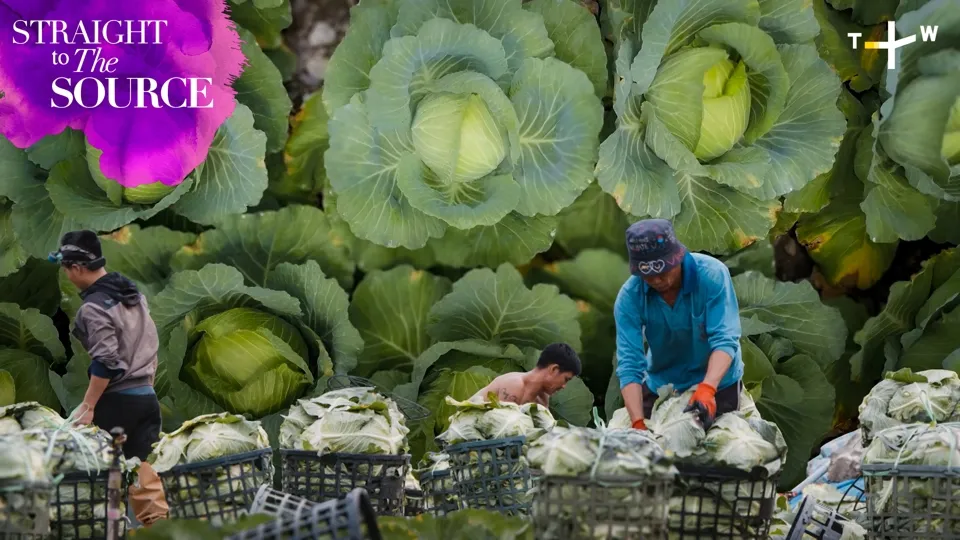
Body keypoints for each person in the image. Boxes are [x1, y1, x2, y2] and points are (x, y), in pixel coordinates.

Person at [49, 230, 169, 526]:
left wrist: (89, 405)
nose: (66, 275)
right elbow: (150, 342)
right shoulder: (132, 295)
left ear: (76, 268)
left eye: (65, 268)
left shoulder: (94, 308)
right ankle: (161, 531)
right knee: (144, 473)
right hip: (145, 398)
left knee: (102, 479)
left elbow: (106, 360)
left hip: (118, 404)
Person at [614, 219, 743, 431]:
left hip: (718, 383)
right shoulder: (630, 296)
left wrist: (708, 387)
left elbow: (725, 339)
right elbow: (629, 364)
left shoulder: (712, 275)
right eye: (647, 275)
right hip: (662, 384)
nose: (656, 280)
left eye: (662, 271)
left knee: (716, 452)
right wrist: (637, 422)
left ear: (677, 258)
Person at [470, 343, 582, 406]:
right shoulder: (513, 384)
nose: (564, 386)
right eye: (566, 379)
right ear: (554, 369)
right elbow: (500, 431)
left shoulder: (542, 400)